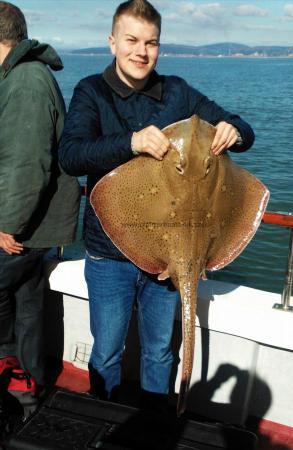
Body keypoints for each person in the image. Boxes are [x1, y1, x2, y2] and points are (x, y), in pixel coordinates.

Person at [59, 0, 254, 411]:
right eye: (131, 40)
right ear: (112, 42)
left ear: (159, 47)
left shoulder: (179, 93)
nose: (141, 51)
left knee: (161, 351)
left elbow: (244, 129)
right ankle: (104, 417)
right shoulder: (91, 92)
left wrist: (232, 130)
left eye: (151, 43)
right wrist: (130, 143)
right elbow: (71, 155)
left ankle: (157, 422)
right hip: (109, 252)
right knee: (107, 351)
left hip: (173, 254)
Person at [0, 2, 80, 391]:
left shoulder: (26, 82)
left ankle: (15, 384)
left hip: (18, 228)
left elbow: (26, 165)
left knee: (19, 307)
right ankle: (27, 390)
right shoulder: (22, 76)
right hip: (34, 226)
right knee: (27, 308)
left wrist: (4, 225)